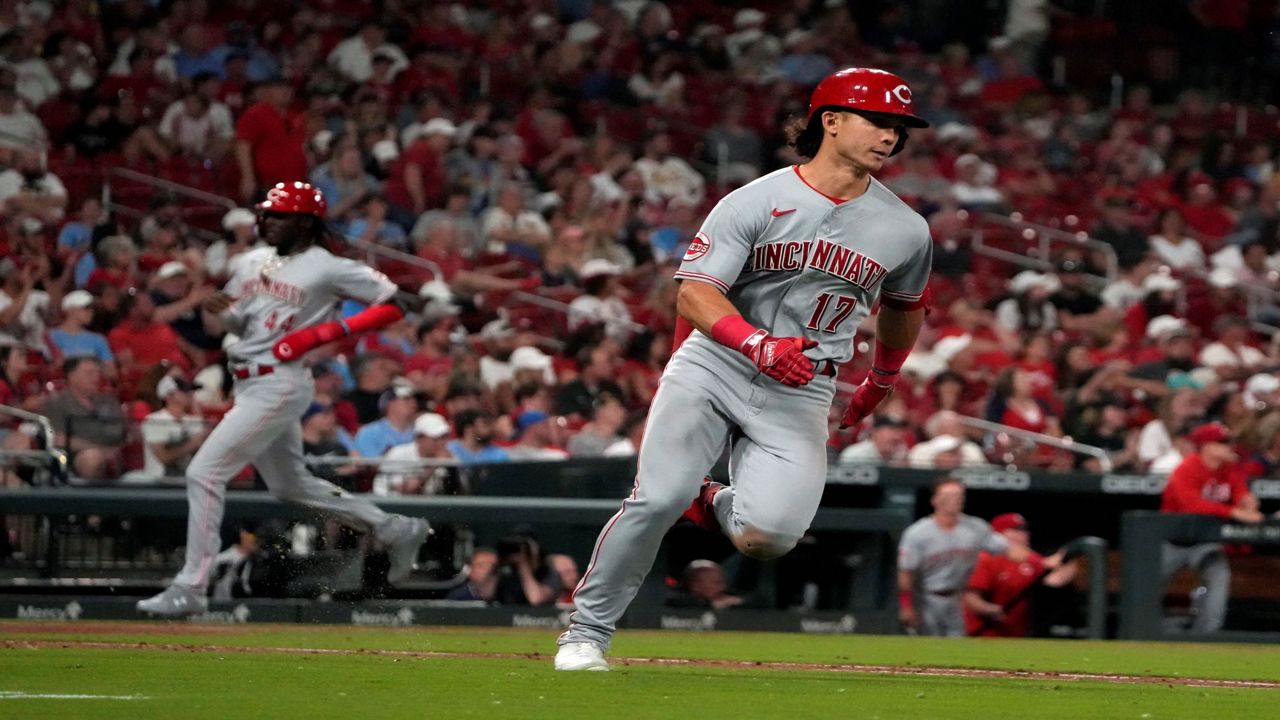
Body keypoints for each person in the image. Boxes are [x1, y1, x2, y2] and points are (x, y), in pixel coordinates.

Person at [556, 68, 933, 671]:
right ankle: (586, 632)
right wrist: (755, 343)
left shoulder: (907, 229)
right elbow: (696, 294)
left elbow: (904, 310)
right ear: (829, 121)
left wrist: (882, 379)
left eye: (898, 127)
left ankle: (704, 497)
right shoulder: (755, 199)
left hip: (804, 387)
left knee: (768, 539)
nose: (890, 136)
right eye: (877, 120)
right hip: (718, 364)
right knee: (654, 501)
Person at [136, 182, 430, 617]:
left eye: (279, 215)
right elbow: (247, 327)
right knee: (290, 485)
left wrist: (324, 332)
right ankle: (393, 527)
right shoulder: (252, 260)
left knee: (204, 472)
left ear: (305, 222)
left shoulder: (327, 266)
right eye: (266, 214)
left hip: (281, 382)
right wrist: (228, 315)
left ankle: (191, 586)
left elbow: (396, 303)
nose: (267, 221)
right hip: (249, 380)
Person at [1159, 422, 1263, 634]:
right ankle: (1145, 630)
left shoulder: (1230, 468)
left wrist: (1246, 500)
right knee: (1148, 584)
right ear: (1206, 446)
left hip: (1205, 541)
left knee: (1219, 576)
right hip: (1173, 541)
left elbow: (1240, 491)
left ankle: (1207, 635)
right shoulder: (1186, 469)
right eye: (1223, 442)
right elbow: (1192, 505)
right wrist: (1233, 512)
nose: (1229, 446)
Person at [898, 478, 1031, 637]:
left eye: (959, 495)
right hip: (926, 598)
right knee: (927, 646)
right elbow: (906, 572)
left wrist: (1041, 561)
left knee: (957, 647)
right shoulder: (917, 532)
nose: (955, 499)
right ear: (935, 499)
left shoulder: (976, 527)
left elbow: (1009, 550)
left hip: (958, 598)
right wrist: (906, 606)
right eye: (948, 495)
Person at [963, 513, 1075, 637]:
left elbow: (1054, 577)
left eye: (1024, 530)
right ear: (998, 534)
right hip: (983, 633)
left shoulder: (1029, 559)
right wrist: (990, 609)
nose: (1024, 534)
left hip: (1016, 635)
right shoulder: (985, 558)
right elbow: (970, 597)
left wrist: (1074, 562)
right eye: (1016, 530)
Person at [40, 357, 127, 481]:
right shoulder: (57, 402)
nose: (95, 377)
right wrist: (99, 449)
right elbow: (58, 438)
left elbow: (119, 432)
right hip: (73, 456)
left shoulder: (109, 401)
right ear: (72, 376)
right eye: (89, 373)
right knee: (92, 458)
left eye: (97, 373)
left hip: (114, 452)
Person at [137, 375, 209, 481]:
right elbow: (163, 457)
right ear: (169, 395)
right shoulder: (154, 420)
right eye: (184, 391)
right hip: (157, 481)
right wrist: (192, 444)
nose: (190, 395)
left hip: (186, 480)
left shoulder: (193, 421)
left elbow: (203, 457)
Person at [372, 412, 456, 496]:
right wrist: (435, 464)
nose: (441, 443)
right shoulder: (399, 454)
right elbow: (406, 489)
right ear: (419, 438)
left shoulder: (447, 456)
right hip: (387, 504)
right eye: (436, 439)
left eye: (444, 437)